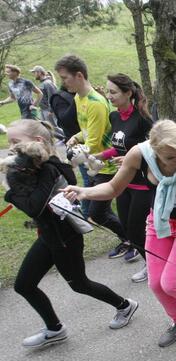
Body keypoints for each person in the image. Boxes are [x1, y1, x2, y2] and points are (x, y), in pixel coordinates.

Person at [63, 120, 176, 347]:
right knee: (156, 284)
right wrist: (84, 192)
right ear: (154, 151)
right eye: (170, 157)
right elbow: (112, 188)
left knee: (171, 282)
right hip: (158, 221)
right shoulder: (139, 154)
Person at [4, 119, 138, 348]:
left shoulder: (49, 168)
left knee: (79, 284)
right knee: (24, 285)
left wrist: (9, 191)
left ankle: (125, 305)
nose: (10, 149)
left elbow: (33, 206)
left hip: (64, 238)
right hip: (49, 235)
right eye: (8, 143)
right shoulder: (35, 167)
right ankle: (55, 329)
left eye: (15, 142)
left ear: (37, 142)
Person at [55, 54, 128, 259]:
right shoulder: (80, 98)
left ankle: (131, 239)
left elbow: (94, 142)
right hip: (95, 163)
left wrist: (75, 153)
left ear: (79, 75)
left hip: (107, 164)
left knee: (97, 213)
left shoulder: (95, 102)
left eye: (64, 77)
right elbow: (86, 130)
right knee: (102, 211)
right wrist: (75, 138)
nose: (62, 82)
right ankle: (129, 238)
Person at [103, 74, 154, 283]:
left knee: (135, 229)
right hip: (123, 182)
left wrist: (132, 158)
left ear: (128, 93)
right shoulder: (114, 117)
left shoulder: (143, 119)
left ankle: (153, 265)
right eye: (108, 91)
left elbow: (155, 150)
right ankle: (152, 262)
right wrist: (96, 156)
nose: (109, 96)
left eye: (113, 92)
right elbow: (117, 147)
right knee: (127, 229)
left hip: (142, 183)